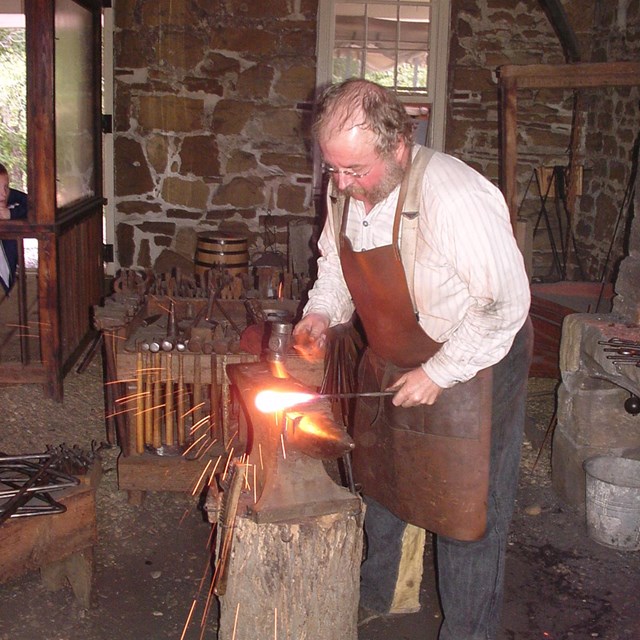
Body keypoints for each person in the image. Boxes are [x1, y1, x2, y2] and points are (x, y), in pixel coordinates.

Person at [293, 79, 533, 640]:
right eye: (335, 170)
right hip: (394, 352)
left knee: (465, 516)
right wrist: (322, 314)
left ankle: (470, 633)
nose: (345, 184)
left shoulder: (454, 195)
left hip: (476, 358)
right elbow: (334, 265)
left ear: (399, 145)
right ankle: (381, 595)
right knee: (382, 484)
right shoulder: (342, 191)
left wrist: (440, 373)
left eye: (357, 171)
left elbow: (505, 306)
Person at [0, 162, 28, 293]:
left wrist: (11, 213)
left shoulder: (9, 204)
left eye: (6, 188)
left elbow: (32, 204)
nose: (3, 195)